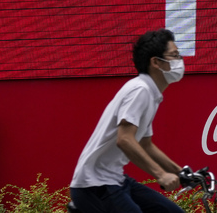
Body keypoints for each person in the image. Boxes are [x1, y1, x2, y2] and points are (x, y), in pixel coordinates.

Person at [70, 29, 186, 213]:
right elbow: (124, 139)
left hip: (114, 179)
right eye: (174, 55)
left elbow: (146, 144)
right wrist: (161, 174)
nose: (180, 61)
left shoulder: (151, 93)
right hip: (94, 185)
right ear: (155, 62)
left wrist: (181, 172)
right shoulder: (140, 90)